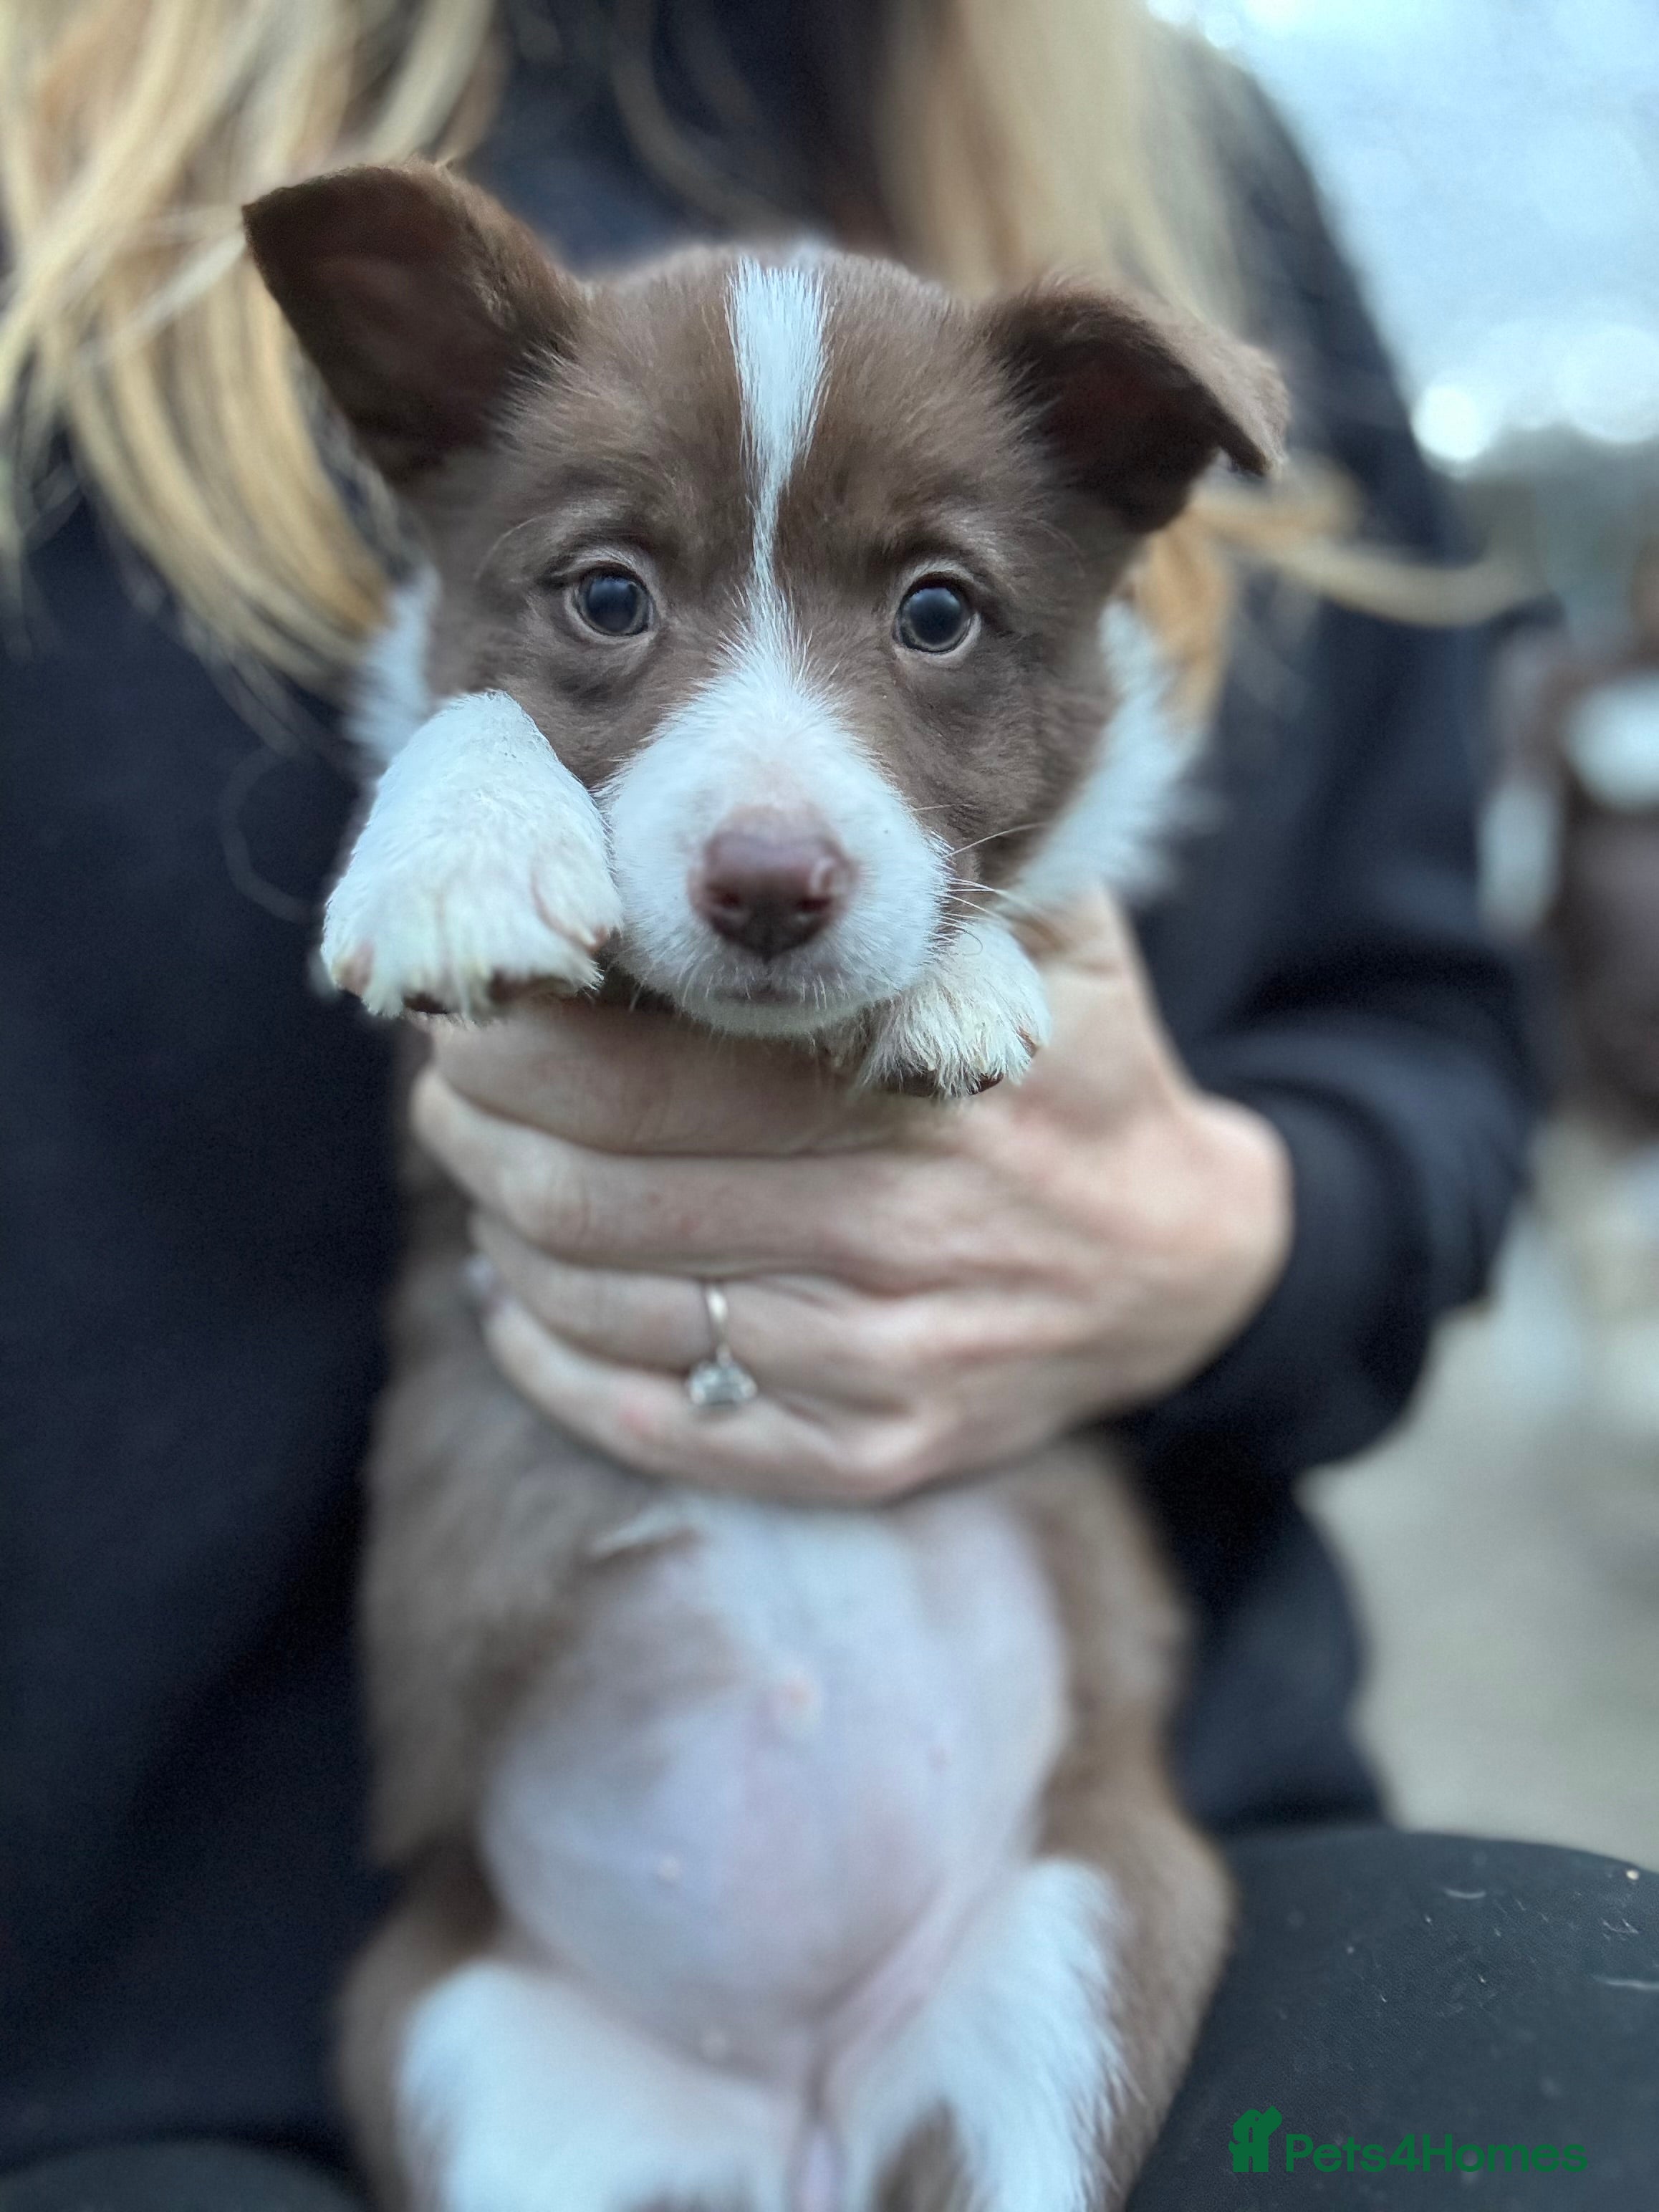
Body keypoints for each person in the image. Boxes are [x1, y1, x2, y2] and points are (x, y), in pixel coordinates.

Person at [16, 3, 1636, 2206]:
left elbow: (1434, 1049)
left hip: (1044, 1868)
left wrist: (1211, 1232)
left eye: (938, 608)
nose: (769, 810)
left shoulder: (1201, 159)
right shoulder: (78, 171)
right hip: (236, 2002)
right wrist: (470, 780)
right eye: (612, 594)